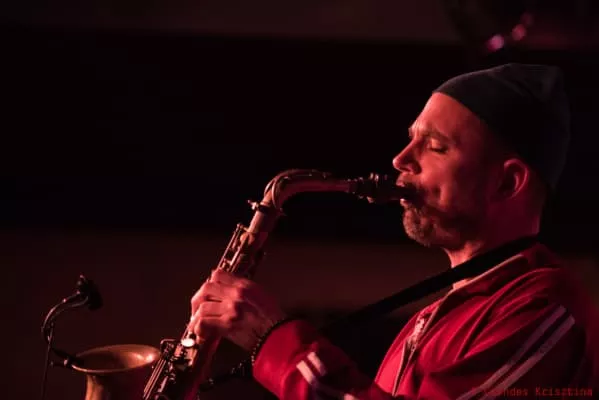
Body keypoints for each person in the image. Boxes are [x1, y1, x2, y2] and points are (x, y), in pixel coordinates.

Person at [188, 63, 599, 399]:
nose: (400, 160)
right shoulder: (431, 319)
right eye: (410, 140)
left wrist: (274, 340)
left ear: (507, 183)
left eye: (435, 146)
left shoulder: (544, 311)